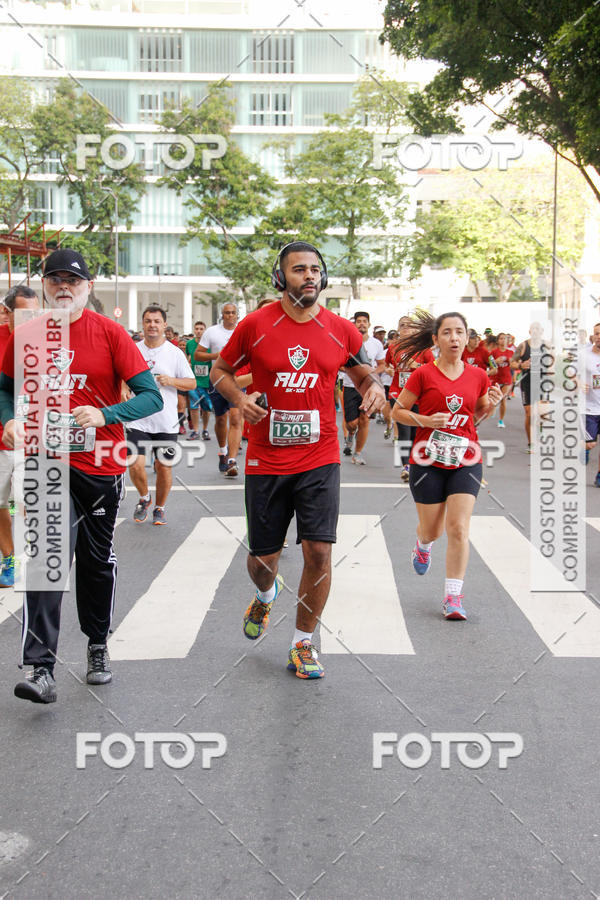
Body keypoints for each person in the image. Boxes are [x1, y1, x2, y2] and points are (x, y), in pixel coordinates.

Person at [210, 241, 385, 679]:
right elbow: (219, 372)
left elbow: (363, 375)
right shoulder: (255, 325)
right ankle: (265, 595)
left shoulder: (341, 329)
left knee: (319, 552)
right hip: (267, 459)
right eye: (298, 269)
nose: (308, 275)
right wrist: (240, 399)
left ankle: (303, 642)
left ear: (322, 277)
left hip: (320, 455)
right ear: (280, 278)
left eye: (314, 269)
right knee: (263, 562)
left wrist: (375, 389)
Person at [0, 249, 162, 704]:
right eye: (55, 279)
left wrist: (106, 413)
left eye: (72, 280)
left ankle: (97, 644)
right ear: (45, 286)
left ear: (88, 287)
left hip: (100, 466)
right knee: (45, 560)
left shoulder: (110, 333)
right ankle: (40, 668)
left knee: (95, 562)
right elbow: (3, 388)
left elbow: (150, 397)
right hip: (46, 464)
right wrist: (9, 419)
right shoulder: (27, 333)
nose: (63, 287)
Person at [392, 311, 502, 620]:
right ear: (436, 339)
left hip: (466, 459)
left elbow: (477, 415)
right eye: (447, 332)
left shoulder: (478, 376)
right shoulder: (423, 374)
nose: (454, 338)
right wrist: (426, 421)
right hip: (427, 459)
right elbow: (398, 411)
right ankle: (423, 544)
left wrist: (492, 405)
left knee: (459, 528)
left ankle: (453, 596)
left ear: (467, 338)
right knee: (433, 531)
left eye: (459, 332)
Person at [128, 306, 195, 525]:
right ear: (143, 324)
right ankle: (144, 497)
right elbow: (120, 375)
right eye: (148, 321)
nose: (152, 325)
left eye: (157, 321)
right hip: (137, 418)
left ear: (164, 325)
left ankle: (159, 507)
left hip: (166, 421)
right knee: (134, 463)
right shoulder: (132, 350)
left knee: (163, 466)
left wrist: (171, 381)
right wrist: (122, 388)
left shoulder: (174, 353)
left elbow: (191, 383)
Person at [0, 286, 40, 586]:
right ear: (7, 312)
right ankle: (10, 558)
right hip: (2, 439)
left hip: (35, 440)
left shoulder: (46, 341)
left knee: (32, 501)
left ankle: (34, 554)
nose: (32, 319)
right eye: (25, 313)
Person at [195, 303, 242, 477]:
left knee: (236, 417)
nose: (230, 315)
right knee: (221, 419)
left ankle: (232, 460)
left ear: (237, 315)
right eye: (227, 313)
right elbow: (198, 354)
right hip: (217, 378)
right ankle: (223, 452)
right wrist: (218, 356)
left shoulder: (242, 330)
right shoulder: (212, 332)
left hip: (238, 379)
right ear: (222, 315)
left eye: (233, 313)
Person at [387, 316, 434, 481]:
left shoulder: (424, 349)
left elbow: (434, 369)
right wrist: (388, 370)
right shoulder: (393, 348)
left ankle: (413, 464)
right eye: (402, 325)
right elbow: (386, 364)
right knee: (404, 430)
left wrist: (417, 366)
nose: (406, 328)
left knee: (416, 432)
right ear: (398, 329)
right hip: (398, 393)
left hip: (418, 396)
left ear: (415, 330)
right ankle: (406, 466)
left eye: (409, 325)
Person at [341, 311, 385, 465]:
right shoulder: (347, 341)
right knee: (352, 423)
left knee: (365, 420)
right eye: (358, 321)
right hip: (350, 385)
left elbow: (382, 365)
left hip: (368, 387)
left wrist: (371, 376)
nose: (361, 324)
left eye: (364, 321)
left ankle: (358, 453)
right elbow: (339, 363)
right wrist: (352, 371)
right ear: (354, 324)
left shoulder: (376, 344)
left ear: (369, 324)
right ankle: (350, 434)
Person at [510, 322, 545, 452]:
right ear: (530, 331)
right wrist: (521, 365)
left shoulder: (547, 346)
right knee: (530, 413)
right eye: (533, 329)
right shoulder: (523, 346)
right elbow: (511, 363)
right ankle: (531, 443)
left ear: (541, 331)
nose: (535, 331)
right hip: (527, 383)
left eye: (538, 329)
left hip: (542, 383)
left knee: (541, 414)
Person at [186, 321, 212, 441]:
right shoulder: (190, 344)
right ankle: (195, 431)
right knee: (194, 406)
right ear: (194, 330)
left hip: (207, 381)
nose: (198, 331)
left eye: (201, 329)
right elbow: (187, 358)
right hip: (193, 380)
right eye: (196, 329)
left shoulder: (210, 345)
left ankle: (205, 430)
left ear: (205, 331)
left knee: (206, 408)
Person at [582, 322, 600, 486]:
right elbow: (571, 374)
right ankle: (584, 448)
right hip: (589, 408)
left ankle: (599, 475)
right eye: (596, 333)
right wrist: (579, 383)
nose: (599, 336)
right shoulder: (584, 355)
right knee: (590, 443)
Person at [490, 332, 514, 427]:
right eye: (501, 338)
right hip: (495, 378)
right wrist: (495, 361)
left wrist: (511, 362)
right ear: (497, 341)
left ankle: (501, 420)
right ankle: (494, 407)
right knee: (494, 397)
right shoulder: (493, 352)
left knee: (503, 398)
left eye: (505, 338)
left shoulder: (511, 353)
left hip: (506, 378)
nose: (503, 340)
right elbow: (490, 365)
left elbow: (513, 365)